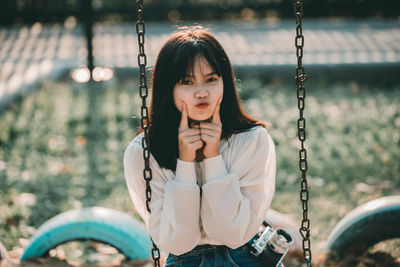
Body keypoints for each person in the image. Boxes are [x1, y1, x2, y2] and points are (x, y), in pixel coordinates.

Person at [123, 26, 277, 266]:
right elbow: (178, 242)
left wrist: (213, 158)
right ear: (168, 88)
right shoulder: (143, 153)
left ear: (225, 82)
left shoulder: (252, 140)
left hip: (246, 255)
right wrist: (185, 164)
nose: (202, 92)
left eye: (211, 79)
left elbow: (233, 234)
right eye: (187, 82)